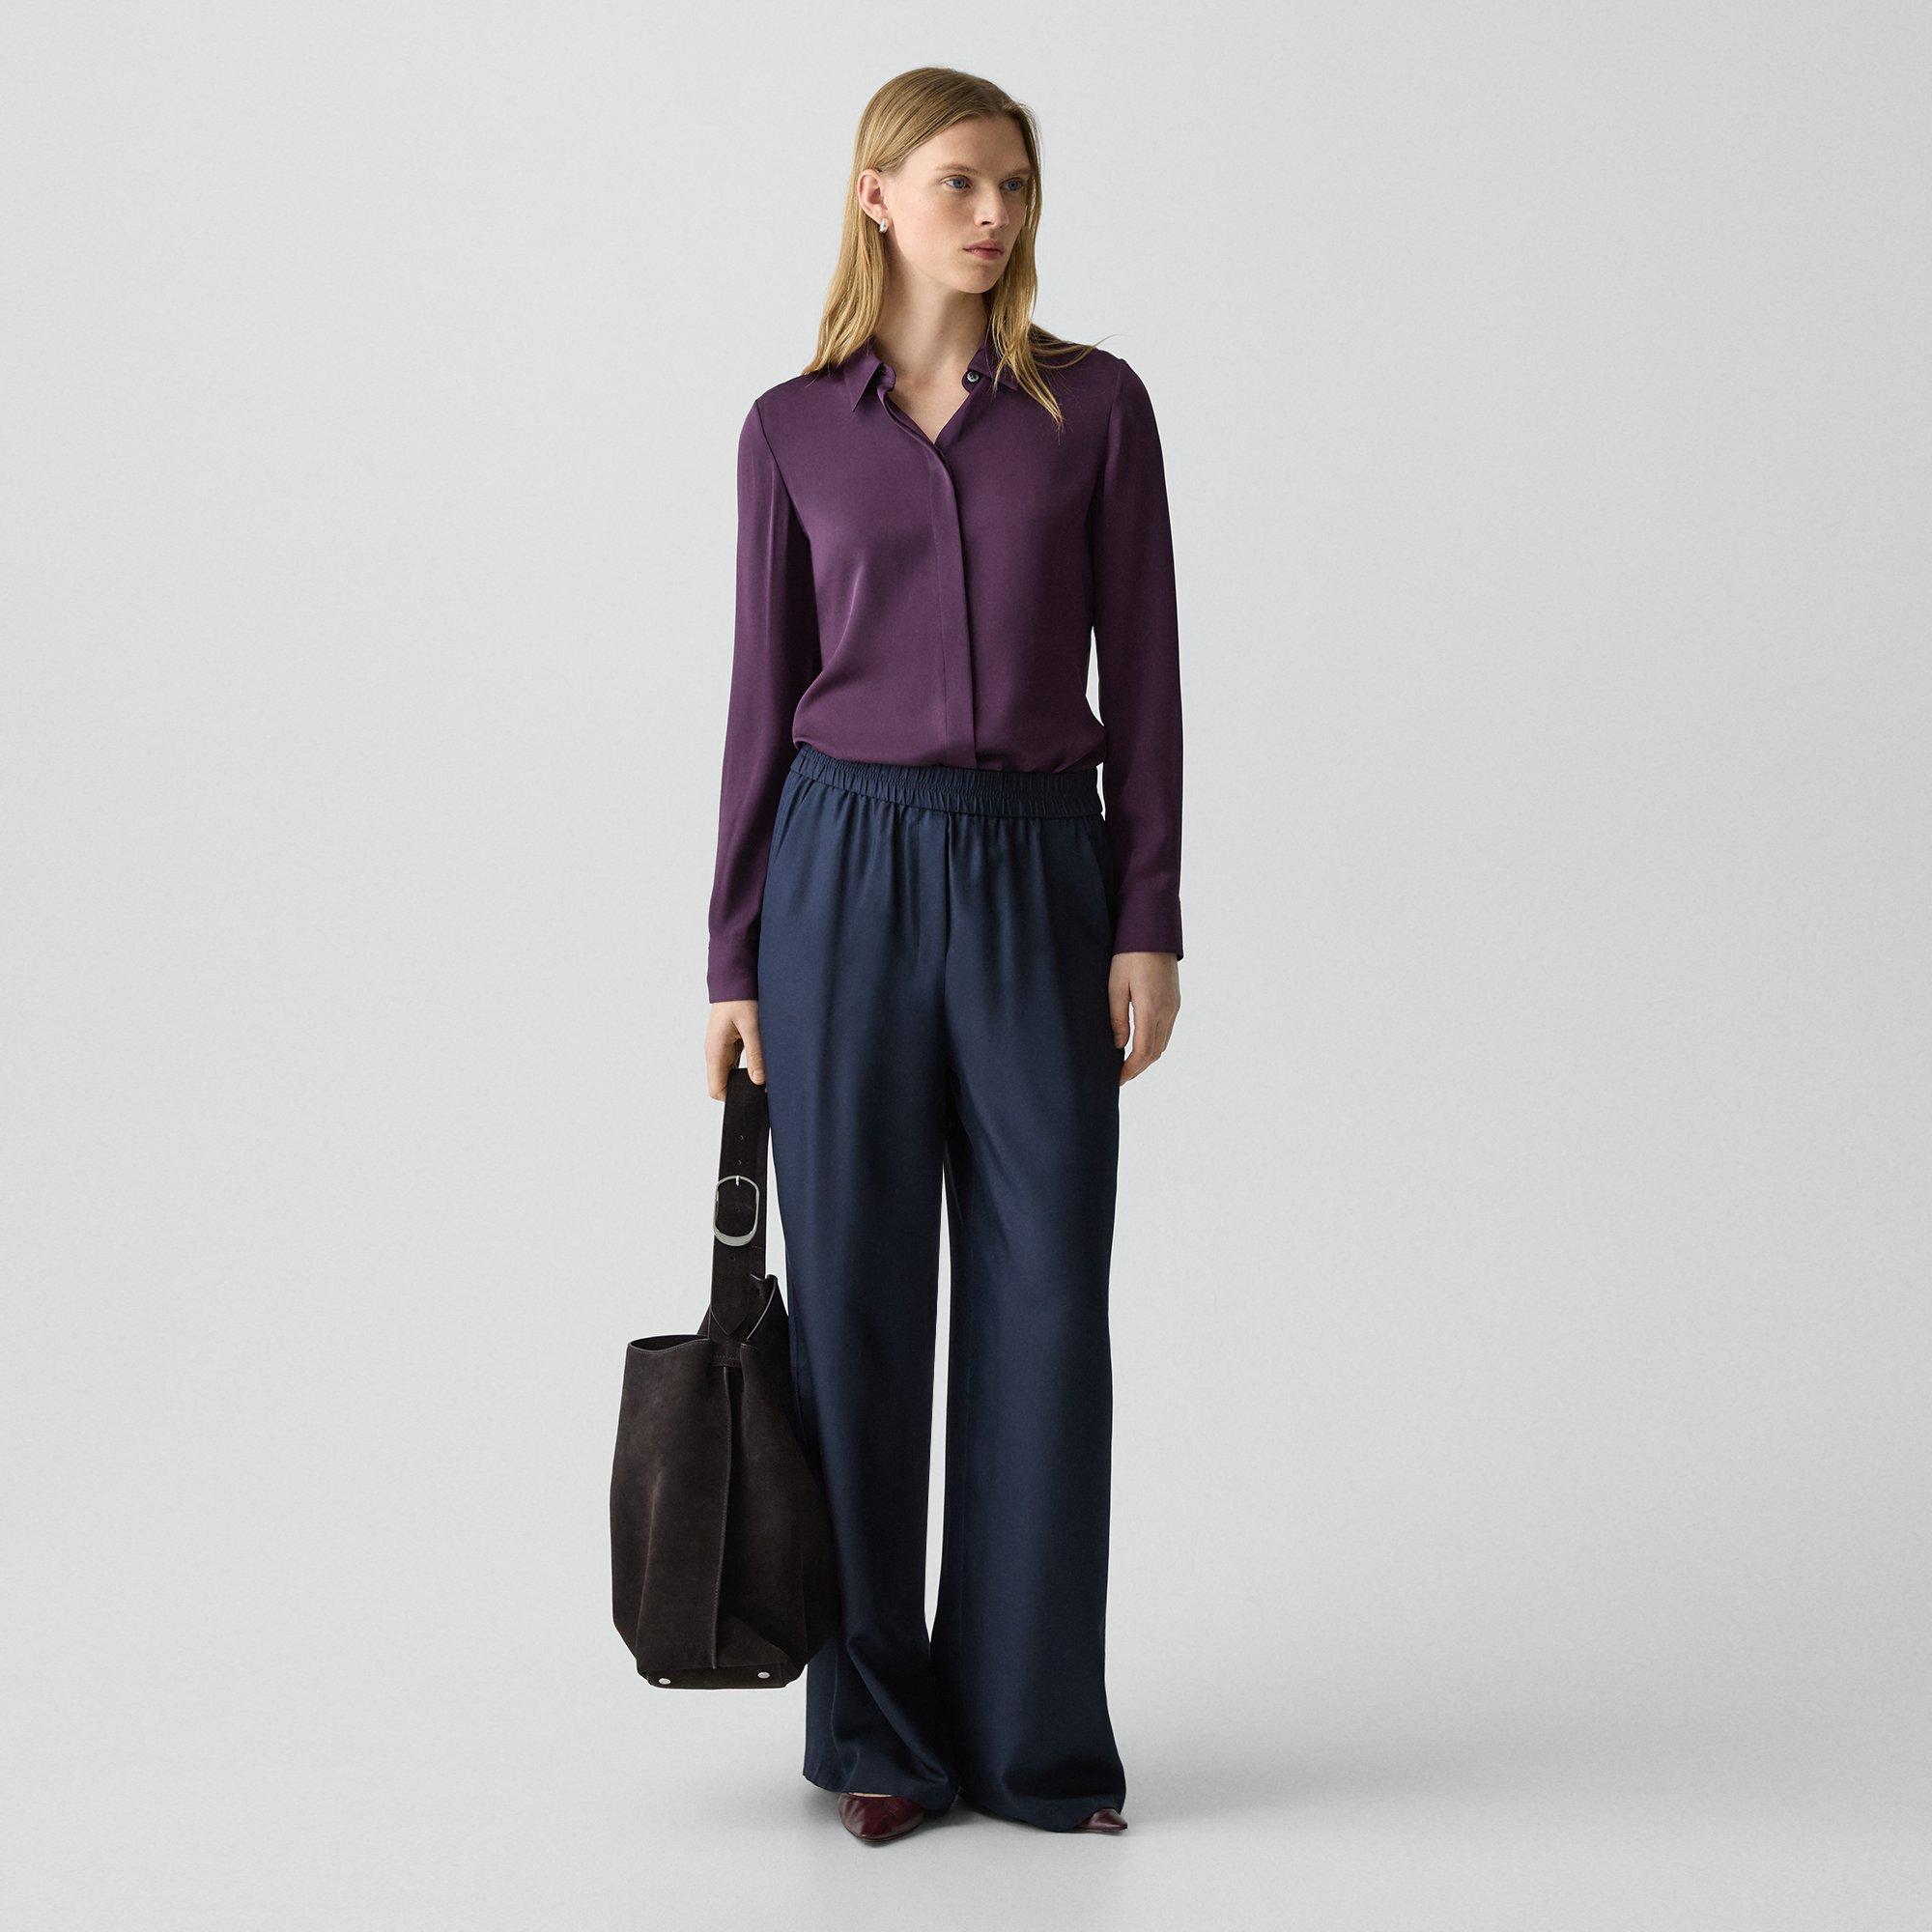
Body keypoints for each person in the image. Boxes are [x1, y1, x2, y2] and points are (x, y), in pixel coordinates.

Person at [702, 65, 1183, 1845]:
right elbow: (759, 705)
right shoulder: (790, 432)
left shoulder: (1096, 410)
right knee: (853, 1308)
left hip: (1041, 869)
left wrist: (1149, 914)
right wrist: (732, 954)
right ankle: (880, 1736)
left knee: (1048, 1303)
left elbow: (1150, 678)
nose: (995, 216)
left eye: (1016, 187)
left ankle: (1036, 1737)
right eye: (963, 183)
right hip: (840, 872)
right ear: (878, 195)